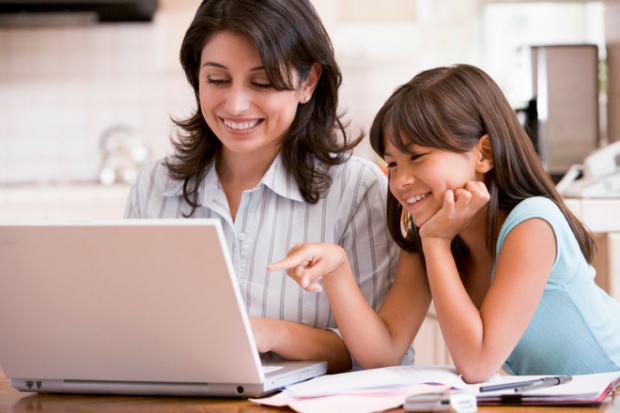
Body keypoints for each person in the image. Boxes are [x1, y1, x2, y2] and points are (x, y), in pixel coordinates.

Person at [269, 64, 620, 382]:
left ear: (483, 154)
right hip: (568, 401)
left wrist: (435, 242)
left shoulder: (532, 224)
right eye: (392, 164)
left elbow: (478, 364)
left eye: (417, 157)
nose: (400, 181)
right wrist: (337, 270)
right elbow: (384, 352)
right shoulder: (433, 236)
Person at [124, 0, 410, 373]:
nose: (236, 104)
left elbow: (377, 358)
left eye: (262, 82)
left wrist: (268, 334)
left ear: (307, 82)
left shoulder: (357, 189)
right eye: (217, 80)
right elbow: (129, 332)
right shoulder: (153, 186)